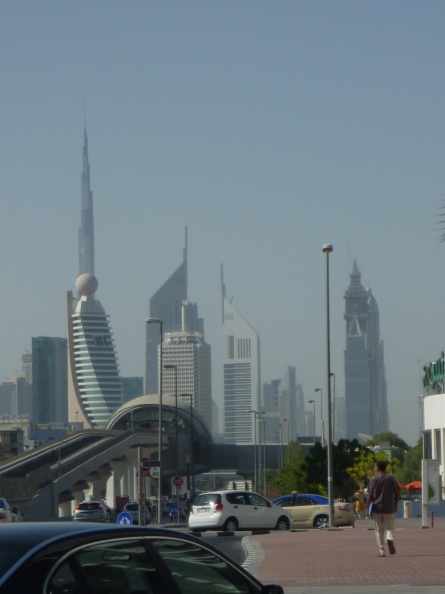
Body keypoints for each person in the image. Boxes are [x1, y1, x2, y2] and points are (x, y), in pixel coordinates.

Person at [367, 460, 401, 557]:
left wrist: (367, 507)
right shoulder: (391, 479)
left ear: (377, 468)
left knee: (379, 530)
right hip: (389, 507)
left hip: (377, 508)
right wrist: (395, 504)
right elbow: (397, 494)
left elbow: (370, 495)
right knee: (390, 527)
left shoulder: (373, 479)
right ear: (385, 468)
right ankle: (389, 539)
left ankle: (381, 551)